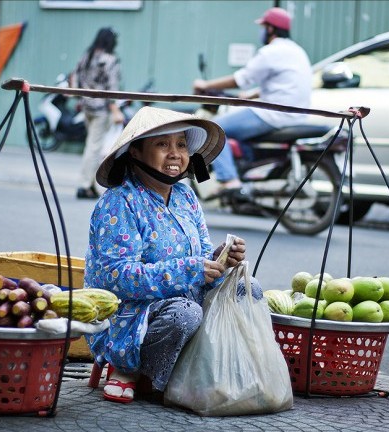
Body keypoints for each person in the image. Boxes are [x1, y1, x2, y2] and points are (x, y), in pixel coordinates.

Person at [84, 106, 261, 404]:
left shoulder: (185, 196)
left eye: (181, 145)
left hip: (184, 294)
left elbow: (201, 252)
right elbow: (116, 278)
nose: (175, 154)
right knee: (185, 313)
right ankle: (130, 369)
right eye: (162, 145)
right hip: (130, 316)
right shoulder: (119, 202)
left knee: (248, 289)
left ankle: (206, 368)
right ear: (136, 153)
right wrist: (190, 270)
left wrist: (220, 258)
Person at [193, 7, 312, 191]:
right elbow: (283, 84)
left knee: (214, 129)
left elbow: (240, 79)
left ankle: (229, 180)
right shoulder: (297, 52)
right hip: (295, 114)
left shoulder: (271, 52)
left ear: (271, 29)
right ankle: (241, 173)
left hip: (273, 115)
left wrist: (206, 85)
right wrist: (252, 95)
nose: (261, 32)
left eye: (263, 27)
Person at [70, 27, 125, 199]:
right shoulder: (110, 60)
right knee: (94, 147)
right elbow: (112, 88)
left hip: (87, 107)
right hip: (102, 109)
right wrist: (116, 110)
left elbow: (75, 79)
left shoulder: (86, 56)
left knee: (92, 145)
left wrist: (80, 99)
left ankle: (91, 185)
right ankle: (84, 185)